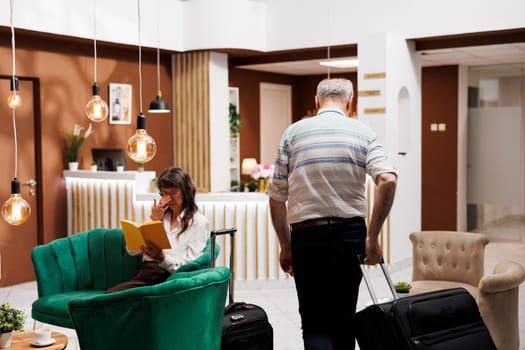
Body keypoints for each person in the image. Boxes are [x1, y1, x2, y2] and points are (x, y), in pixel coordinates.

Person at [267, 78, 397, 350]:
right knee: (344, 317)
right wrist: (372, 237)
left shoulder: (293, 133)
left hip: (306, 236)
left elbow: (277, 197)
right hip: (350, 235)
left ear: (316, 102)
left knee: (314, 320)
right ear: (350, 102)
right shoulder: (363, 132)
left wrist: (285, 246)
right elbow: (387, 180)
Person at [106, 166, 209, 293]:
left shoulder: (198, 222)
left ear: (186, 192)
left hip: (171, 278)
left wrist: (163, 258)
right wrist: (154, 220)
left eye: (173, 193)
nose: (168, 199)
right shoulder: (160, 215)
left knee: (112, 297)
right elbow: (132, 251)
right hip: (147, 275)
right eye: (164, 193)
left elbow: (191, 265)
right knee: (110, 296)